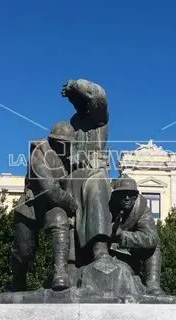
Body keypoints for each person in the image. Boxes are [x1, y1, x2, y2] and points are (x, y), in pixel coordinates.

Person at [10, 121, 78, 291]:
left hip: (51, 209)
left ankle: (60, 274)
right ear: (55, 142)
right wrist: (72, 204)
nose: (68, 149)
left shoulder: (67, 162)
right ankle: (18, 282)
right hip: (30, 209)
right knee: (23, 252)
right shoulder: (39, 154)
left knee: (60, 220)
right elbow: (51, 191)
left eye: (70, 145)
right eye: (65, 144)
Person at [60, 79, 113, 265]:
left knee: (96, 186)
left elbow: (100, 96)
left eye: (78, 98)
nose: (75, 103)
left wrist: (76, 84)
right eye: (73, 100)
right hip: (73, 175)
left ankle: (100, 246)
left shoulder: (99, 119)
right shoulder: (73, 124)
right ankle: (69, 260)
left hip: (95, 171)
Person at [108, 175, 165, 295]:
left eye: (131, 194)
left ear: (136, 195)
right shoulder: (106, 203)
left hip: (129, 251)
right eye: (123, 194)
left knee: (155, 245)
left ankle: (152, 285)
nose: (127, 198)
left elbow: (151, 238)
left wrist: (123, 236)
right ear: (115, 195)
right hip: (107, 251)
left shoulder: (141, 207)